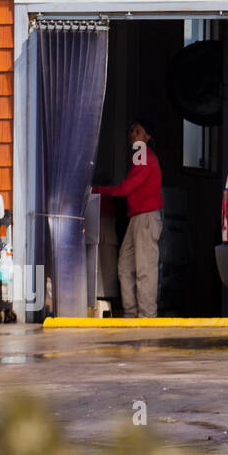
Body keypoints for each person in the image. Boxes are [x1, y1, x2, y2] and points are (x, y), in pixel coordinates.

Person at [93, 119, 164, 318]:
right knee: (125, 266)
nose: (132, 134)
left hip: (145, 219)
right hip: (137, 219)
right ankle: (132, 313)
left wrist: (98, 190)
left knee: (144, 269)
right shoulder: (141, 155)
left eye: (138, 131)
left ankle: (146, 315)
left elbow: (127, 187)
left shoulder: (142, 153)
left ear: (147, 138)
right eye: (131, 130)